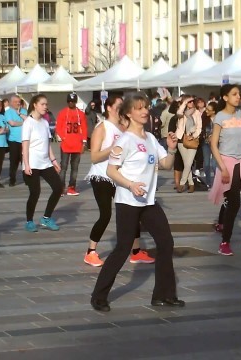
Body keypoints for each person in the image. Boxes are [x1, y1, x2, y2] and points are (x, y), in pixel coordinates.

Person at [90, 93, 183, 312]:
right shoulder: (124, 141)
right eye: (139, 108)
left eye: (146, 108)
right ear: (129, 113)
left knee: (166, 243)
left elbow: (167, 164)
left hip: (148, 202)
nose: (144, 111)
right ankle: (99, 295)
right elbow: (111, 170)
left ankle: (163, 295)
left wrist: (171, 147)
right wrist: (130, 184)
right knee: (123, 249)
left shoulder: (150, 138)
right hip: (128, 202)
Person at [84, 95, 155, 267]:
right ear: (108, 108)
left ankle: (136, 251)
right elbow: (94, 156)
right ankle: (90, 252)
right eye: (118, 105)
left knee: (134, 210)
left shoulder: (124, 127)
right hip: (101, 176)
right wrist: (114, 150)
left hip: (119, 177)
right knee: (106, 214)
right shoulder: (102, 127)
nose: (121, 107)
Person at [209, 84, 241, 255]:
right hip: (227, 162)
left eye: (239, 94)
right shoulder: (220, 117)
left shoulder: (240, 114)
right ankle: (225, 242)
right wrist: (222, 167)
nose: (238, 97)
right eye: (234, 94)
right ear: (225, 97)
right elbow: (213, 145)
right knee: (234, 204)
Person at [22, 95, 63, 232]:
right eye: (43, 104)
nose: (46, 107)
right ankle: (29, 221)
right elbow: (25, 145)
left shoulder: (45, 122)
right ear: (35, 105)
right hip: (32, 163)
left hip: (45, 163)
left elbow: (47, 144)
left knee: (58, 187)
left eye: (46, 104)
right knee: (35, 192)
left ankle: (46, 218)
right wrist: (26, 165)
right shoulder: (28, 122)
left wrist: (54, 160)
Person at [56, 93, 87, 196]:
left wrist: (84, 142)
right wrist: (63, 137)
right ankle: (60, 188)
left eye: (73, 101)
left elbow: (84, 128)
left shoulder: (81, 114)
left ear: (76, 102)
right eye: (69, 101)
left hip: (77, 145)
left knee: (75, 168)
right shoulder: (62, 113)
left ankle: (71, 187)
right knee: (63, 167)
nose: (71, 103)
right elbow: (58, 127)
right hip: (66, 145)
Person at [176, 95, 202, 193]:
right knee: (186, 163)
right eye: (189, 102)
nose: (191, 103)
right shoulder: (182, 112)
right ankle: (191, 184)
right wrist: (184, 103)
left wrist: (194, 135)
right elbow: (178, 113)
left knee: (188, 163)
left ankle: (182, 184)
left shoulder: (197, 113)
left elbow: (199, 127)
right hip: (181, 139)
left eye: (192, 101)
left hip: (192, 140)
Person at [5, 95, 27, 187]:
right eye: (15, 102)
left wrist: (20, 115)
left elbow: (29, 121)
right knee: (14, 161)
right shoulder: (8, 112)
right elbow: (12, 123)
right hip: (13, 140)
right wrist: (22, 122)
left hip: (24, 139)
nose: (18, 103)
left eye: (19, 101)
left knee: (25, 161)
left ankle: (27, 179)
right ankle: (12, 179)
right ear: (11, 102)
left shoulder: (24, 111)